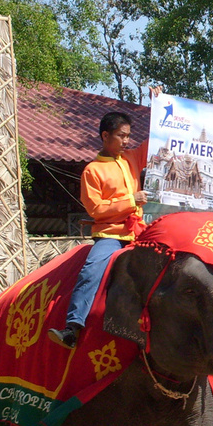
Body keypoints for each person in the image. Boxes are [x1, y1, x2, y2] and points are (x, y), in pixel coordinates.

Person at [48, 110, 150, 349]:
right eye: (121, 136)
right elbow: (96, 210)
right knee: (91, 271)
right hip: (111, 235)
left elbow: (154, 139)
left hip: (139, 231)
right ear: (106, 135)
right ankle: (73, 327)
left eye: (128, 136)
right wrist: (131, 200)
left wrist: (158, 104)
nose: (126, 141)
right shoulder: (92, 171)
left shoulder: (133, 158)